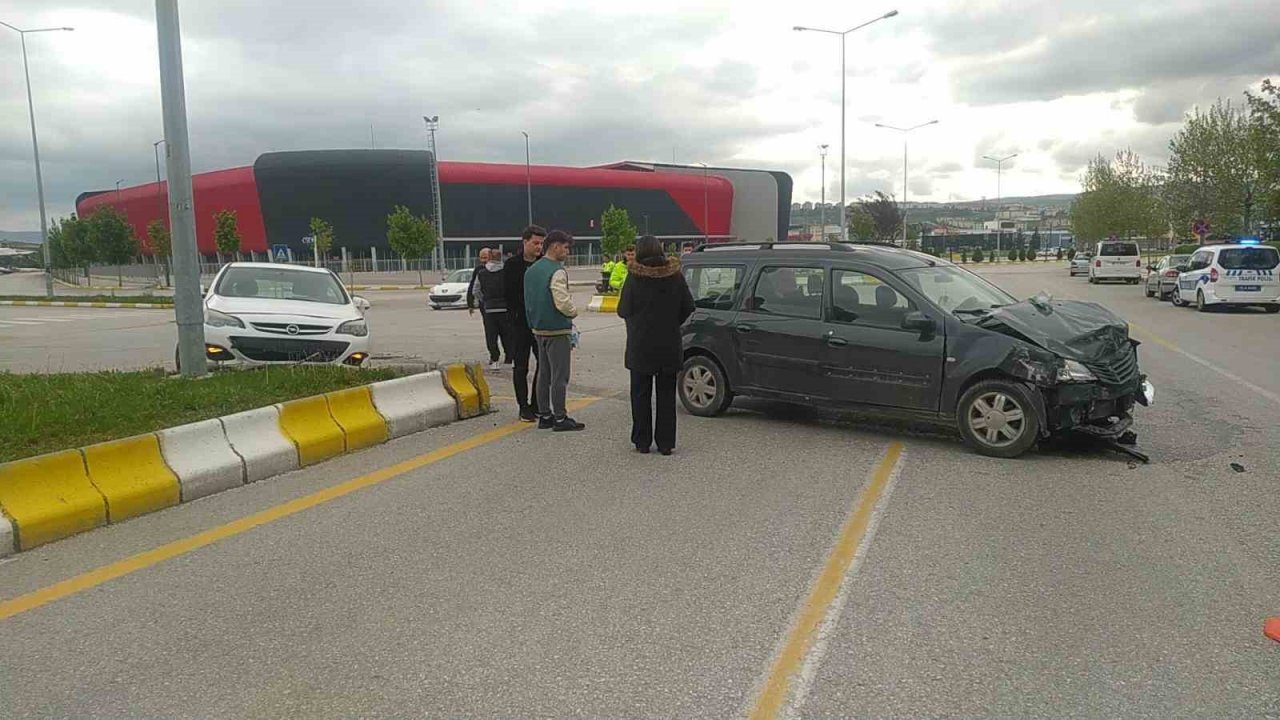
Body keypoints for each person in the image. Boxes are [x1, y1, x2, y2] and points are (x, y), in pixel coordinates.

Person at [617, 235, 695, 455]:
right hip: (669, 344)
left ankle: (642, 441)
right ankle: (666, 443)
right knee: (667, 395)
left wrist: (637, 323)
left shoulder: (634, 278)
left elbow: (623, 309)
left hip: (640, 345)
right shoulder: (675, 276)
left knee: (640, 394)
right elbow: (689, 306)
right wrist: (672, 323)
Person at [524, 229, 585, 432]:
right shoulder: (557, 270)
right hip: (557, 329)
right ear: (556, 246)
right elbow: (561, 300)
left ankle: (545, 415)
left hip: (538, 328)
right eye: (566, 248)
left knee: (543, 373)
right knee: (560, 375)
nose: (567, 252)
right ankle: (560, 417)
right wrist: (573, 313)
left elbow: (528, 300)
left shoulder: (531, 270)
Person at [504, 225, 546, 422]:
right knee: (521, 366)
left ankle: (537, 403)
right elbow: (509, 295)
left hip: (540, 323)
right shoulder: (512, 265)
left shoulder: (544, 264)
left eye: (541, 243)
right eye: (535, 243)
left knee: (544, 364)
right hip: (520, 324)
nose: (539, 247)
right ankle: (523, 407)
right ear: (525, 242)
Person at [467, 247, 510, 369]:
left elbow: (475, 290)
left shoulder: (481, 273)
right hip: (505, 309)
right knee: (507, 334)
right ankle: (510, 358)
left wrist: (484, 300)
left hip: (489, 309)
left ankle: (495, 359)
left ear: (490, 258)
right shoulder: (507, 272)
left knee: (491, 335)